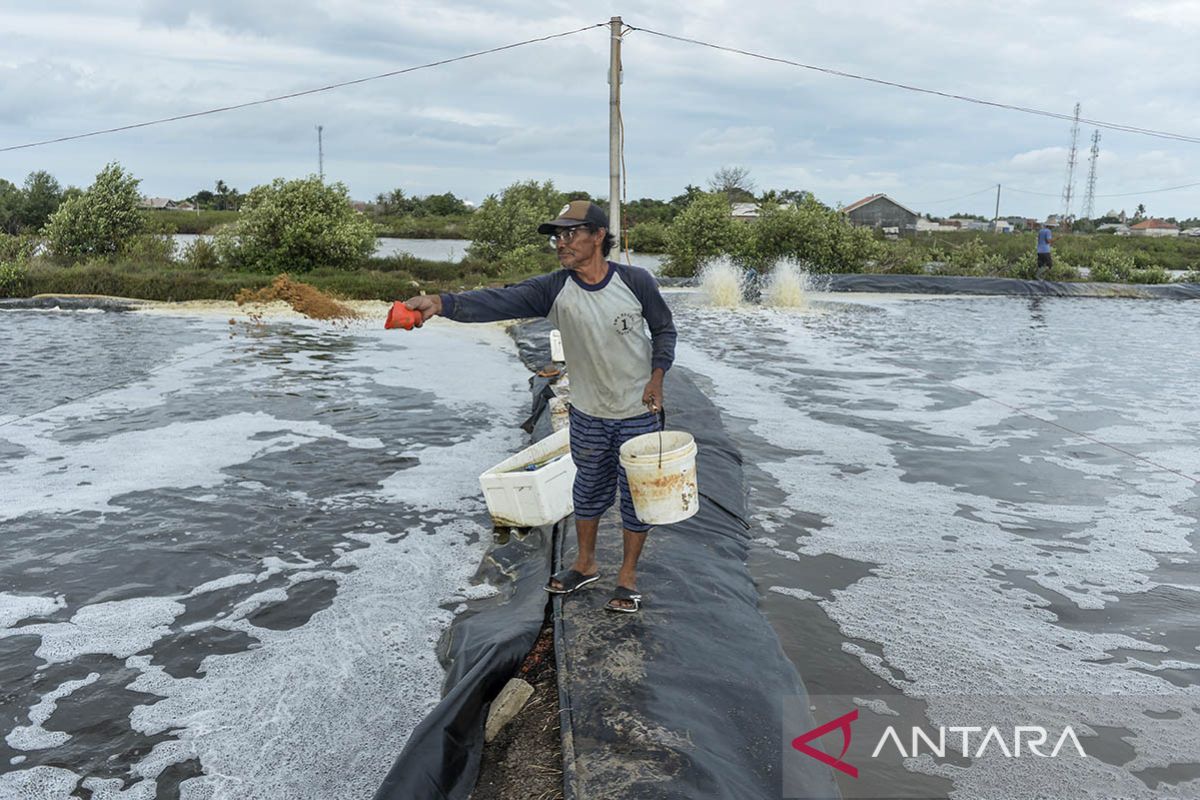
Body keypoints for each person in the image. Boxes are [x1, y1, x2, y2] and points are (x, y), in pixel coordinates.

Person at [401, 200, 676, 613]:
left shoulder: (635, 282)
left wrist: (657, 375)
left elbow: (664, 330)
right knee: (587, 491)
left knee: (637, 499)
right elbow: (499, 301)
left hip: (638, 412)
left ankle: (628, 578)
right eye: (557, 236)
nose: (560, 243)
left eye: (570, 234)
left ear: (598, 235)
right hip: (588, 411)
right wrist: (441, 303)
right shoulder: (554, 288)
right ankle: (584, 565)